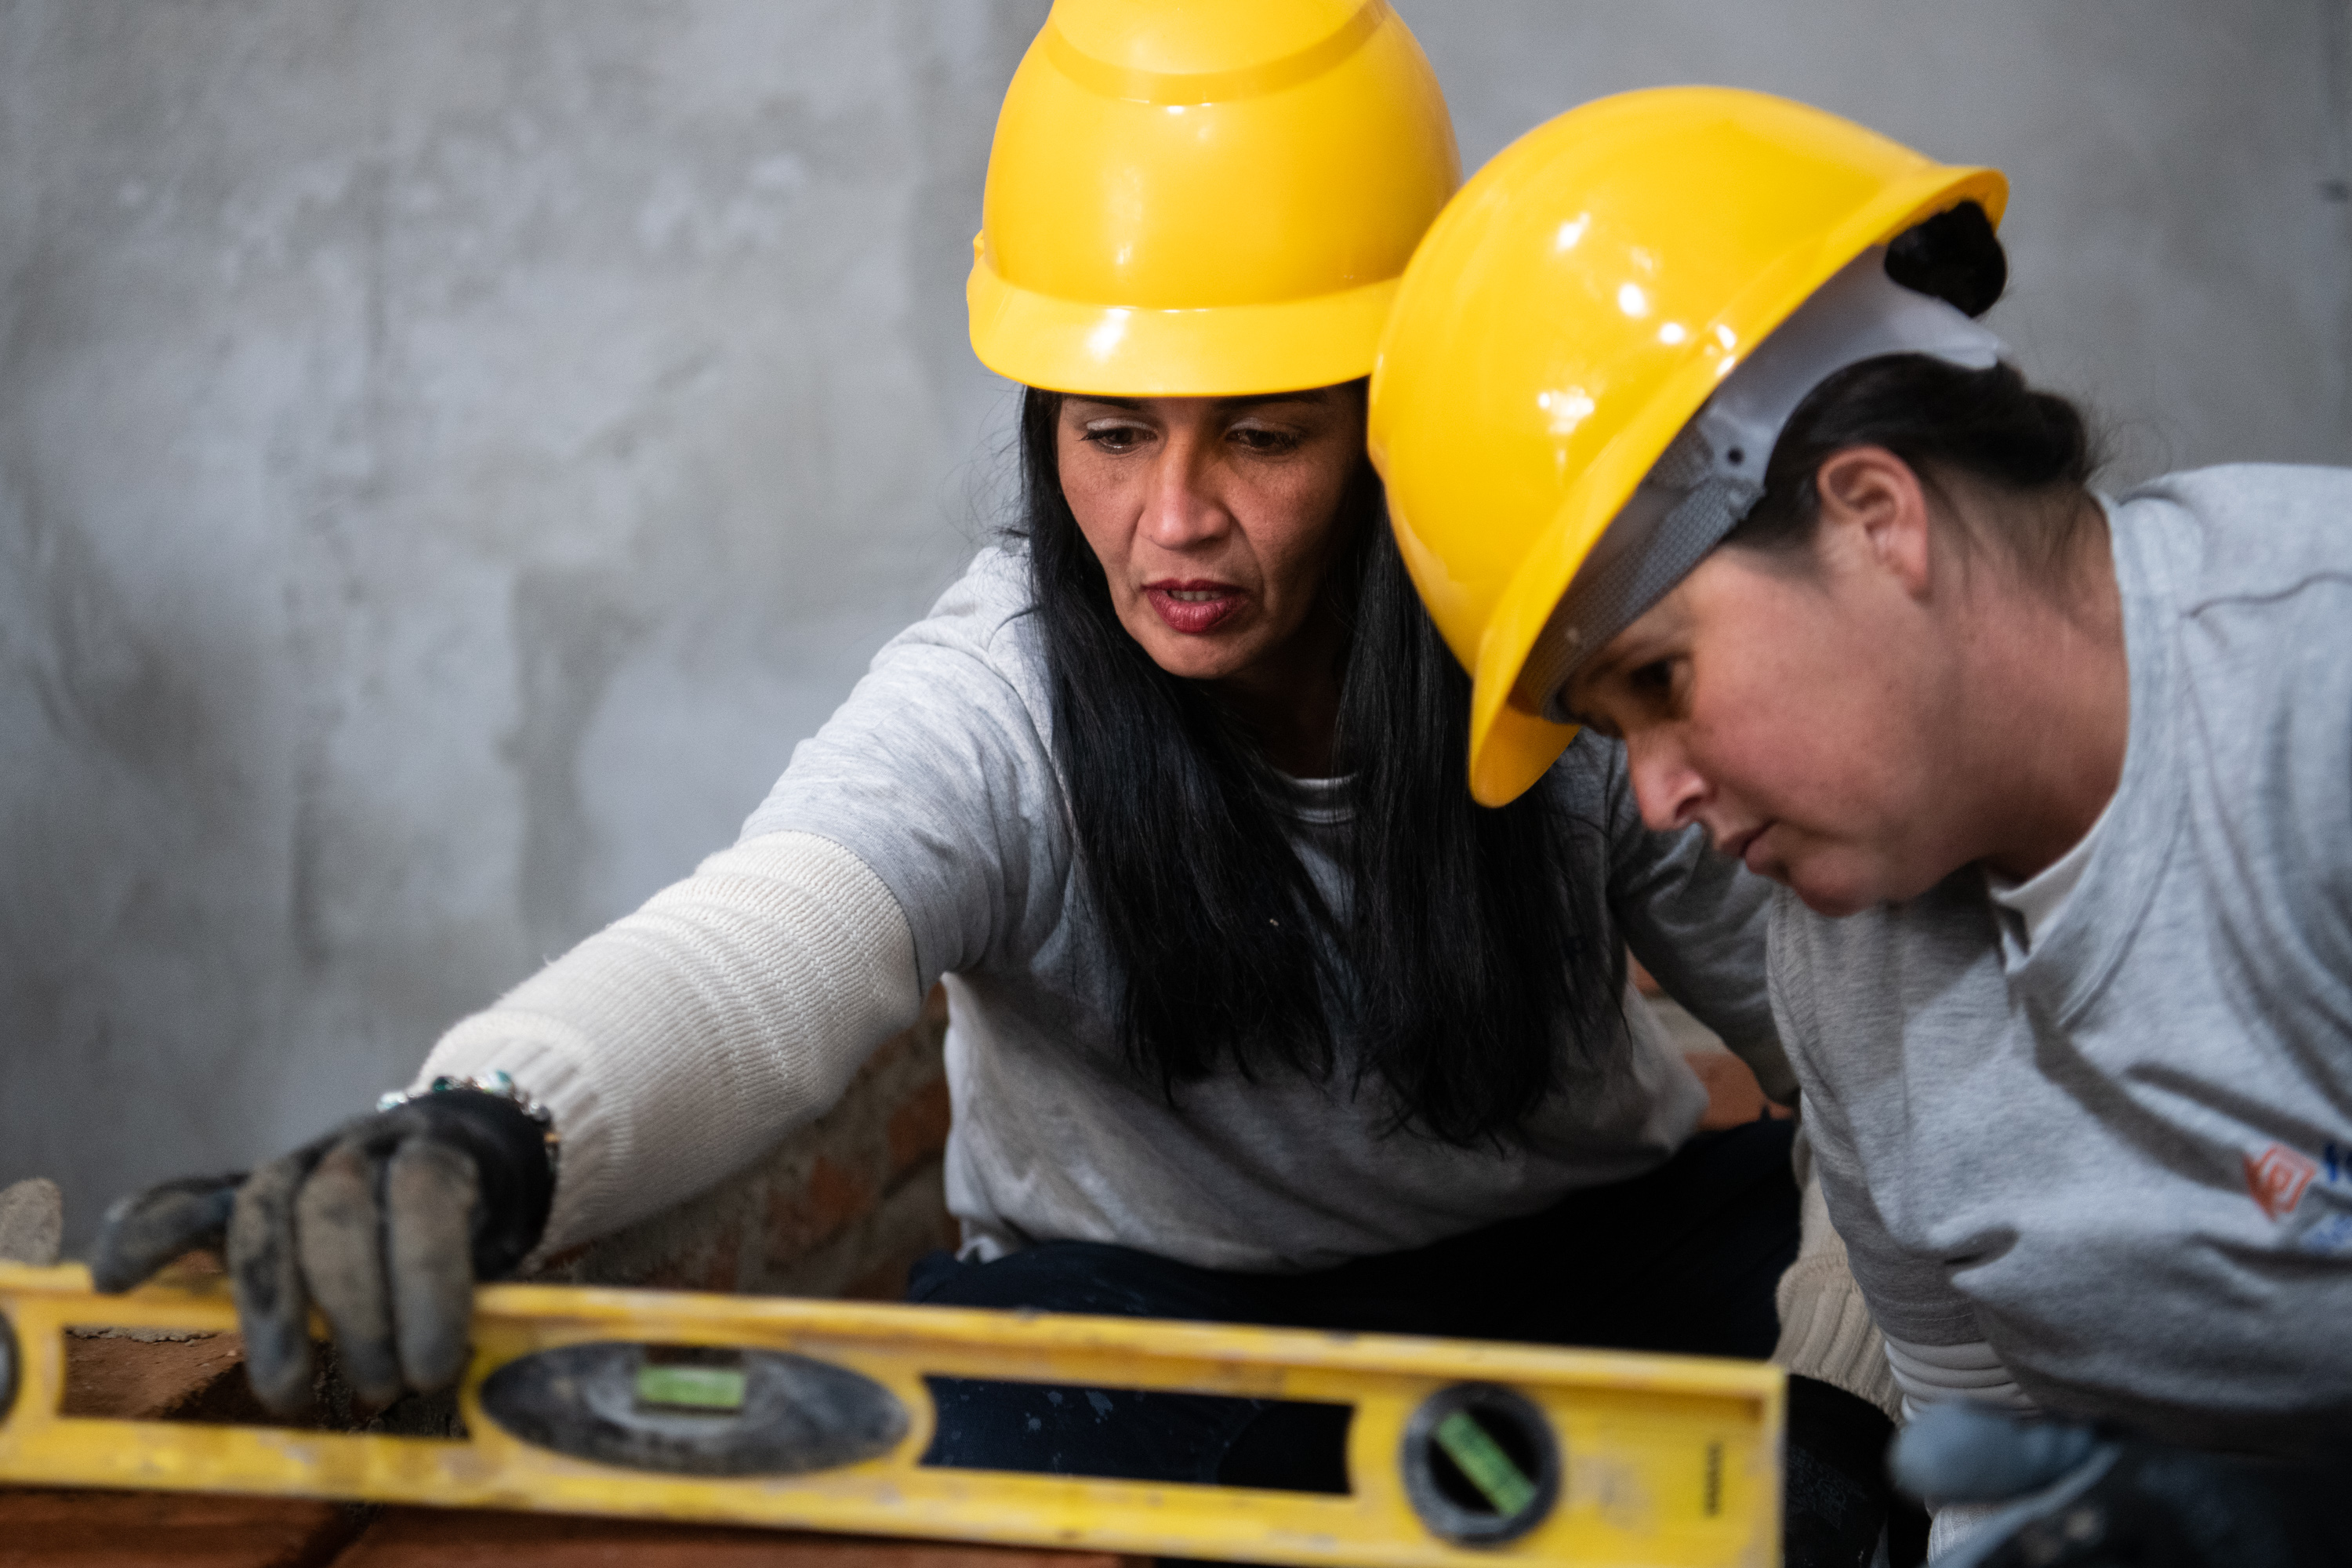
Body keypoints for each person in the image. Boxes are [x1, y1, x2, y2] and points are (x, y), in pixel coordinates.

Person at [89, 10, 1877, 1552]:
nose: (1173, 522)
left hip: (1589, 1279)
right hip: (1144, 1342)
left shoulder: (1554, 640)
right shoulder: (1002, 691)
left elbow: (1869, 1042)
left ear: (1386, 408)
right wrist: (490, 1122)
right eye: (1113, 434)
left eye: (1262, 433)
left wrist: (1847, 1406)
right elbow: (768, 943)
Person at [1369, 85, 2350, 1562]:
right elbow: (1995, 1469)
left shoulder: (2312, 706)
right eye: (1611, 731)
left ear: (1876, 512)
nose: (1655, 800)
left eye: (1663, 680)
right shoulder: (1845, 974)